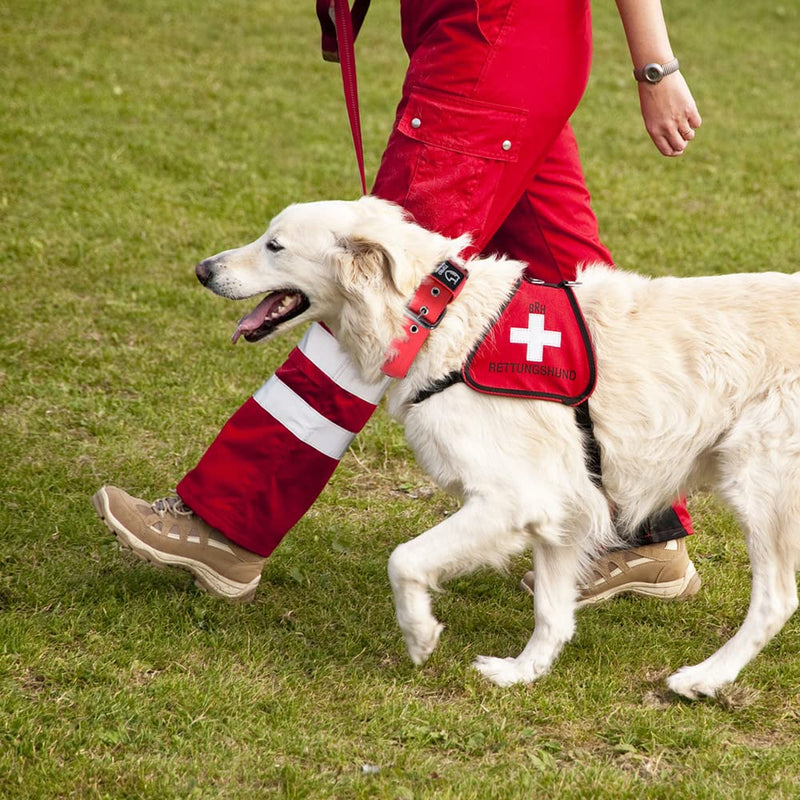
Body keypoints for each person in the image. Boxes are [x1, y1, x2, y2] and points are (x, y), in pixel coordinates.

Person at [93, 0, 703, 605]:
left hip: (488, 42)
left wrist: (657, 67)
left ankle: (223, 522)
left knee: (372, 297)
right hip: (502, 44)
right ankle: (642, 530)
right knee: (567, 295)